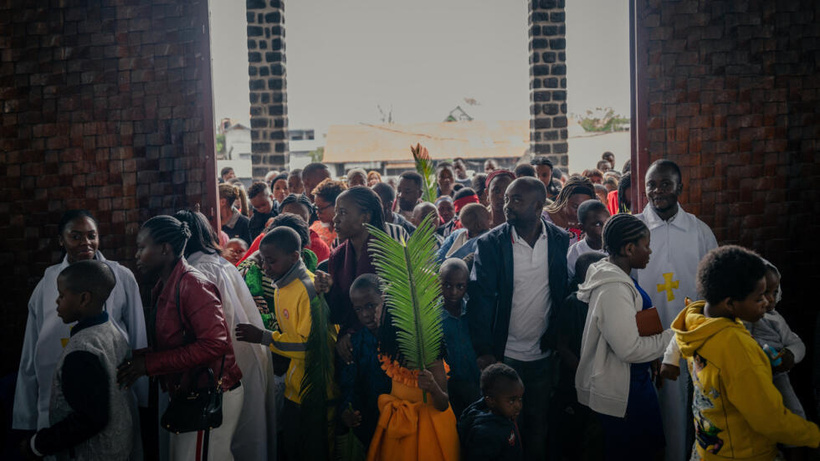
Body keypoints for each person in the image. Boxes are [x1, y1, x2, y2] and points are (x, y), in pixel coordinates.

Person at [672, 246, 820, 459]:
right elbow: (769, 419)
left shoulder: (696, 324)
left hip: (708, 451)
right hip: (744, 453)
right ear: (730, 303)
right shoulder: (738, 348)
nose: (767, 303)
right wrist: (813, 436)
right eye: (759, 297)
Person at [118, 215, 243, 461]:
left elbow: (214, 344)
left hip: (211, 393)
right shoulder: (165, 285)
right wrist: (141, 359)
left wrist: (150, 365)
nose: (137, 255)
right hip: (191, 392)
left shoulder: (192, 284)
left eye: (142, 248)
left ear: (165, 249)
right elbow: (176, 339)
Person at [14, 210, 147, 436]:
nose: (85, 243)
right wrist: (25, 419)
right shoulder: (47, 284)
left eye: (91, 236)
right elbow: (30, 354)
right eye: (75, 236)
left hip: (113, 383)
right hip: (58, 384)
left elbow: (138, 336)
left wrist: (143, 399)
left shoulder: (121, 276)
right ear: (61, 240)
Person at [467, 177, 569, 461]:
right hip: (504, 354)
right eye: (507, 198)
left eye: (516, 199)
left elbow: (560, 292)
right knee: (505, 430)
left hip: (542, 355)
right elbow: (481, 300)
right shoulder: (491, 243)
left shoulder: (559, 240)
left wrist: (559, 342)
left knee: (538, 426)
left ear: (538, 206)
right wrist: (485, 351)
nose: (506, 204)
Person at [174, 210, 277, 460]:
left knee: (215, 444)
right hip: (242, 357)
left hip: (220, 367)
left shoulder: (199, 271)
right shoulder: (217, 263)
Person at [635, 159, 717, 461]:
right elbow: (629, 288)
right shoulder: (635, 228)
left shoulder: (699, 231)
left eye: (666, 184)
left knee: (687, 407)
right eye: (651, 185)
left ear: (680, 187)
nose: (658, 191)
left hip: (690, 336)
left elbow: (714, 286)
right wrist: (648, 341)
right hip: (646, 338)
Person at [575, 213, 673, 460]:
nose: (649, 251)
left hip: (636, 382)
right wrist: (675, 335)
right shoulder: (613, 289)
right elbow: (629, 349)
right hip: (624, 391)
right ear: (629, 248)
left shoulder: (618, 276)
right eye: (646, 245)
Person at [235, 227, 336, 461]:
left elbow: (310, 346)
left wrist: (264, 337)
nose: (266, 269)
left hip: (316, 391)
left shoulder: (307, 289)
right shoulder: (282, 284)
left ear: (294, 257)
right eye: (263, 262)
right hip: (295, 389)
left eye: (271, 262)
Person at [20, 261, 138, 460]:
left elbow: (89, 419)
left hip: (92, 453)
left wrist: (37, 445)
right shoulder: (111, 330)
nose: (57, 301)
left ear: (84, 299)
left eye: (62, 295)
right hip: (116, 447)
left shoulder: (82, 351)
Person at [356, 288, 458, 461]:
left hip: (429, 430)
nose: (375, 311)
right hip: (398, 429)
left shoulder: (428, 352)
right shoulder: (388, 343)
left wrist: (433, 387)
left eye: (381, 306)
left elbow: (442, 403)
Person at [552, 252, 606, 461]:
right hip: (575, 381)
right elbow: (562, 345)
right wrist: (583, 371)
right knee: (573, 434)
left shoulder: (605, 300)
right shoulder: (573, 303)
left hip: (599, 379)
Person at [337, 274, 392, 448]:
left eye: (371, 305)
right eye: (359, 309)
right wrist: (347, 410)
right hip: (370, 424)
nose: (366, 314)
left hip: (401, 422)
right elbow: (349, 384)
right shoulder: (355, 344)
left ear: (384, 300)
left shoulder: (400, 339)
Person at [440, 259, 481, 420]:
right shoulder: (434, 317)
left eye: (460, 286)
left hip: (475, 382)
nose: (453, 292)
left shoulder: (474, 310)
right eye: (447, 285)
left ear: (467, 286)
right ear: (439, 283)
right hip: (449, 387)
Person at [458, 363, 524, 461]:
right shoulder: (485, 435)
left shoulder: (506, 415)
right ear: (491, 401)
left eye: (520, 399)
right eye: (511, 400)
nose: (518, 405)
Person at [543, 175, 595, 246]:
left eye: (585, 207)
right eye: (575, 206)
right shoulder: (544, 221)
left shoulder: (593, 224)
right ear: (563, 201)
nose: (580, 212)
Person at [566, 199, 610, 280]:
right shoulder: (574, 253)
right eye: (598, 224)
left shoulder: (617, 248)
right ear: (582, 227)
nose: (605, 228)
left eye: (608, 222)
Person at [310, 178, 347, 248]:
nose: (317, 212)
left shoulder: (348, 232)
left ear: (336, 205)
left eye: (321, 208)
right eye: (316, 207)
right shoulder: (314, 229)